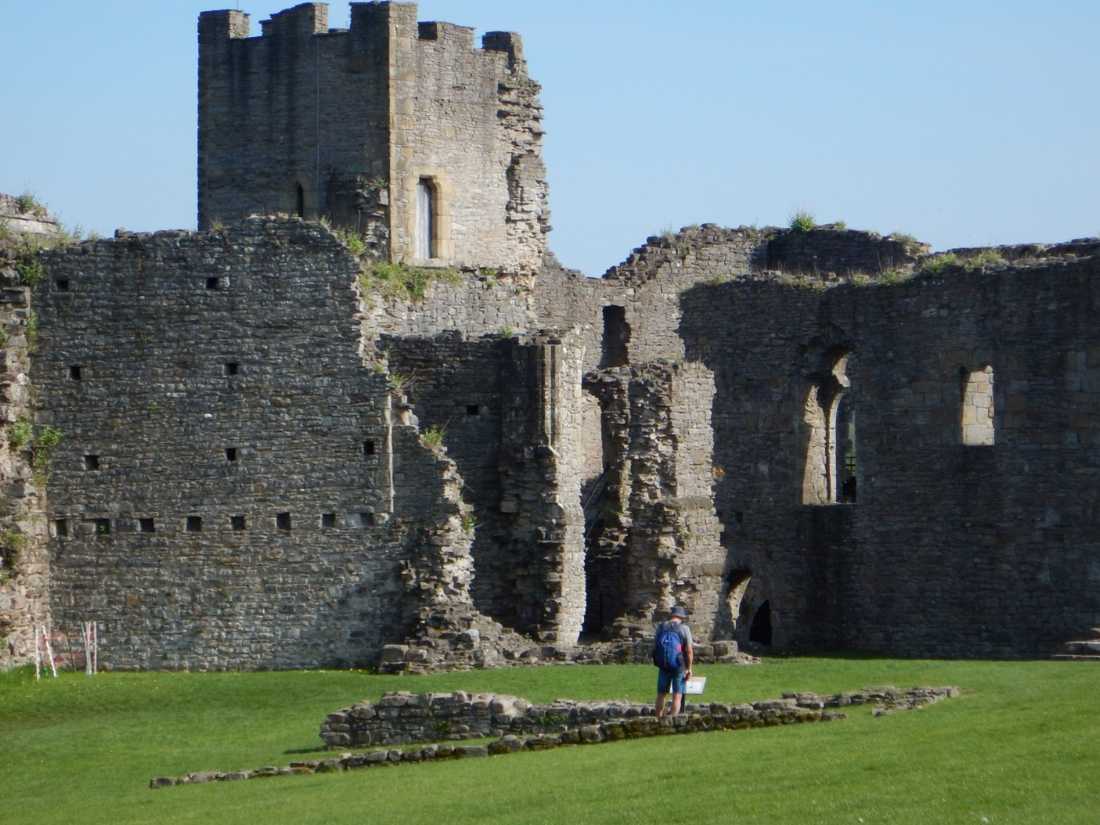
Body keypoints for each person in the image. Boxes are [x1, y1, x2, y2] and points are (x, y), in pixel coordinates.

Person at [653, 605, 693, 718]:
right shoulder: (684, 628)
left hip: (663, 665)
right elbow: (689, 651)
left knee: (661, 694)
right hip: (679, 665)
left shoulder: (661, 627)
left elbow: (655, 645)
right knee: (677, 695)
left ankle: (657, 720)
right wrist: (689, 668)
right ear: (681, 617)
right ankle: (672, 722)